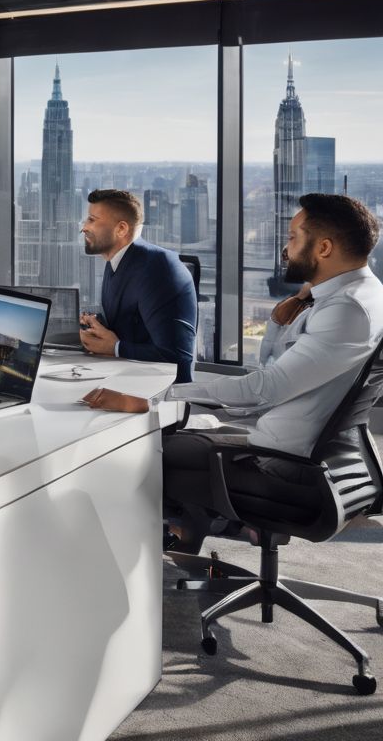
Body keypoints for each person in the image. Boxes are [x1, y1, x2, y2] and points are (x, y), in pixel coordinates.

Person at [82, 193, 383, 552]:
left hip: (281, 461)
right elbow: (271, 366)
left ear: (324, 248)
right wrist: (288, 312)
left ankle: (136, 564)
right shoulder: (360, 293)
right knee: (179, 433)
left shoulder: (345, 310)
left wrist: (157, 398)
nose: (286, 251)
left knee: (133, 451)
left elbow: (263, 389)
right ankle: (186, 535)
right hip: (294, 444)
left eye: (292, 238)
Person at [77, 188, 197, 383]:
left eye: (92, 220)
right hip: (126, 378)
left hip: (158, 394)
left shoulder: (159, 270)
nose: (84, 227)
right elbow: (132, 325)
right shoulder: (115, 262)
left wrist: (115, 347)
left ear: (121, 229)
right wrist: (97, 328)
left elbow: (176, 356)